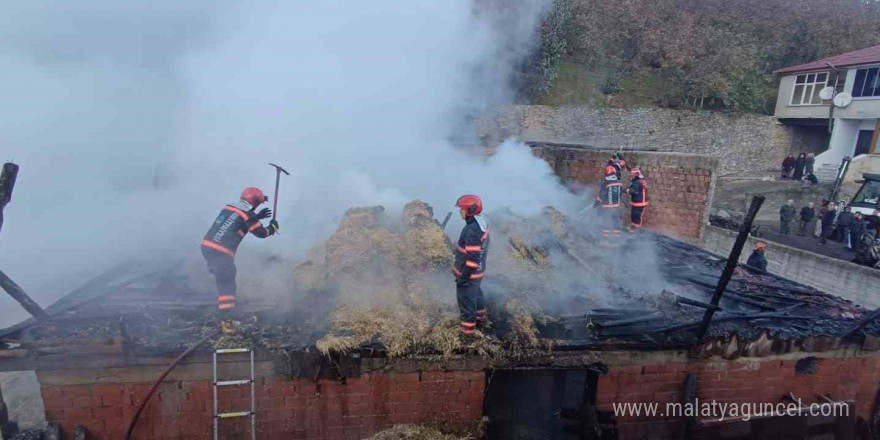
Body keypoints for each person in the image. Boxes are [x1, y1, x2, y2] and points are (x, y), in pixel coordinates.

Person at [201, 187, 279, 333]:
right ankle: (227, 323)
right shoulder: (248, 215)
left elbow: (236, 221)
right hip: (221, 252)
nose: (257, 207)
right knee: (227, 287)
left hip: (207, 248)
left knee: (224, 279)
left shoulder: (230, 207)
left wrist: (257, 216)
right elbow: (261, 233)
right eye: (257, 204)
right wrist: (272, 228)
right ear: (254, 201)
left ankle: (226, 317)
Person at [452, 194, 490, 337]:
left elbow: (473, 257)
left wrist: (464, 277)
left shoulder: (472, 229)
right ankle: (481, 318)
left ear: (470, 210)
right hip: (478, 272)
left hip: (469, 274)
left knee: (466, 303)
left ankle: (467, 335)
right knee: (476, 295)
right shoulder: (482, 222)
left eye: (462, 209)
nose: (460, 212)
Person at [596, 162, 623, 239]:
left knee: (606, 222)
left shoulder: (605, 183)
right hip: (616, 207)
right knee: (615, 222)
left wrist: (596, 203)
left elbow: (601, 196)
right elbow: (620, 194)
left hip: (606, 208)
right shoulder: (619, 183)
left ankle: (606, 239)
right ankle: (615, 238)